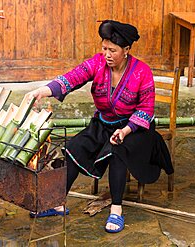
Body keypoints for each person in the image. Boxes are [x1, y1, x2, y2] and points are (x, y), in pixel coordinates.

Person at [25, 20, 173, 233]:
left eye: (112, 50)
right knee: (74, 147)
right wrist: (43, 90)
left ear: (126, 50)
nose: (107, 54)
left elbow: (145, 111)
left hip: (135, 129)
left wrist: (124, 131)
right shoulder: (97, 63)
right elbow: (71, 78)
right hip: (104, 124)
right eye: (104, 49)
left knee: (118, 150)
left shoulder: (142, 72)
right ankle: (57, 203)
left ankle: (116, 210)